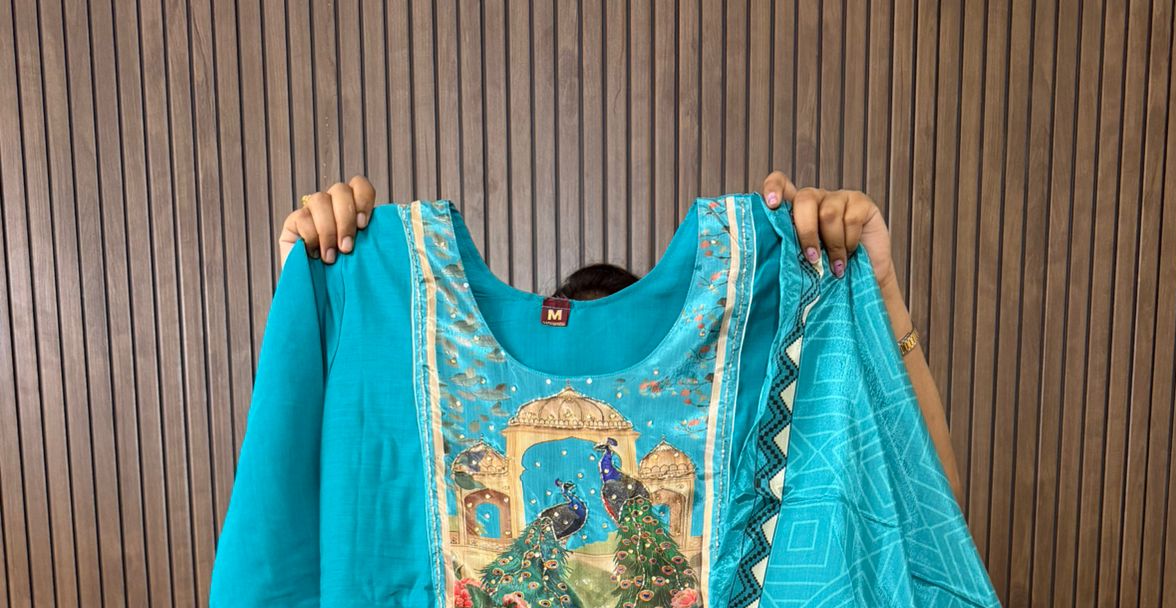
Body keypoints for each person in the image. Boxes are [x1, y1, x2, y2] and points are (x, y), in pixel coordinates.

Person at [276, 172, 967, 509]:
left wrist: (880, 292)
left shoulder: (746, 421)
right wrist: (314, 300)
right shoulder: (400, 358)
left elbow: (932, 519)